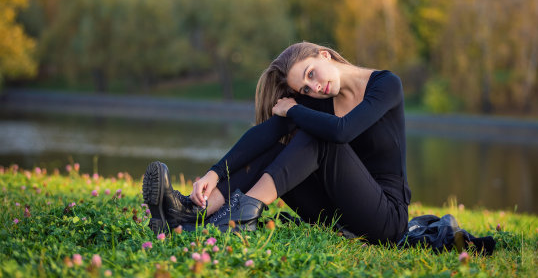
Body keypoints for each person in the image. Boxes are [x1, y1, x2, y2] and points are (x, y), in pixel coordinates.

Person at [143, 41, 411, 245]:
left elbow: (343, 131)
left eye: (311, 74)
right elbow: (265, 134)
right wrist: (213, 173)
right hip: (336, 215)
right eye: (305, 89)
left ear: (324, 55)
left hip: (384, 219)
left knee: (318, 134)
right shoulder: (319, 101)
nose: (314, 88)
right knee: (279, 145)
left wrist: (294, 110)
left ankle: (241, 217)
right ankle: (191, 212)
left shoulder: (386, 85)